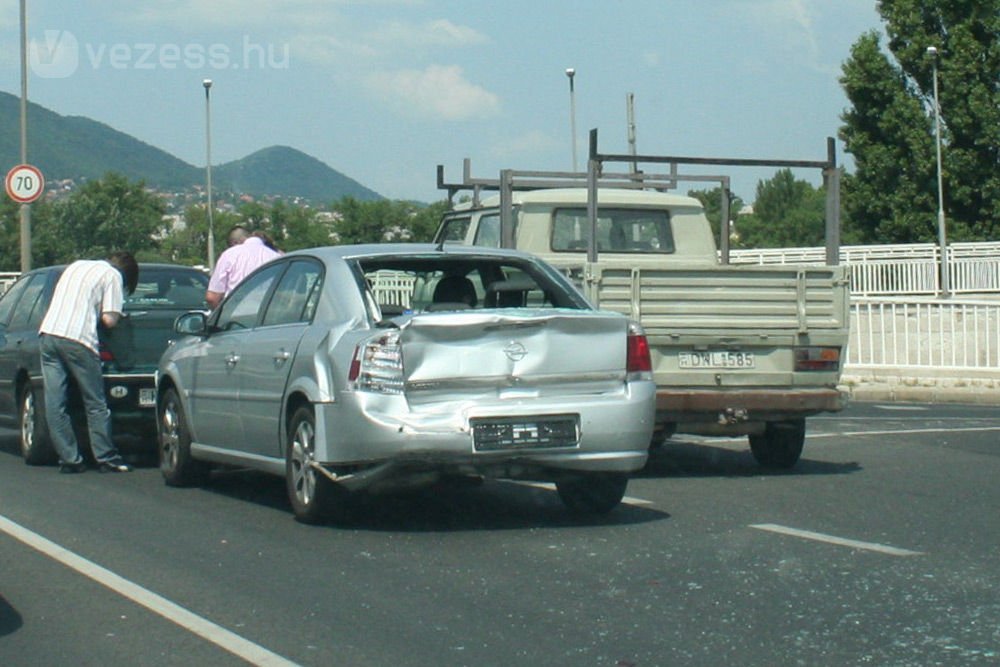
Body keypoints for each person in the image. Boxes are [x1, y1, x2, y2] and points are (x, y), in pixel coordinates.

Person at [39, 251, 139, 474]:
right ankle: (106, 457)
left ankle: (69, 459)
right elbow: (109, 319)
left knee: (56, 403)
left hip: (48, 334)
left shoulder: (76, 265)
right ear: (126, 274)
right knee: (95, 403)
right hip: (78, 339)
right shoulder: (113, 276)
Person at [205, 225, 280, 308]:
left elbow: (212, 297)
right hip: (271, 315)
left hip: (237, 315)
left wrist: (220, 315)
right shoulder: (276, 256)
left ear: (234, 243)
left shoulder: (230, 254)